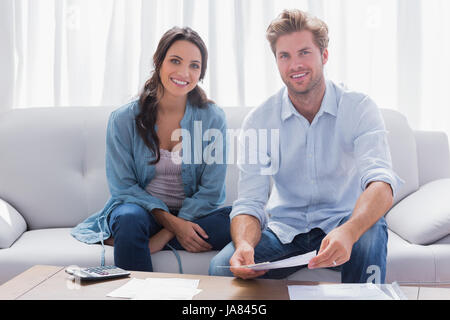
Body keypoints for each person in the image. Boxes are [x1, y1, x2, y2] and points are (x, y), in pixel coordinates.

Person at [209, 9, 403, 283]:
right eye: (284, 56)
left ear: (324, 56)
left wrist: (349, 231)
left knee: (371, 234)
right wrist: (244, 245)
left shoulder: (359, 107)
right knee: (220, 267)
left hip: (343, 225)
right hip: (284, 231)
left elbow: (381, 183)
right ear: (276, 62)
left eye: (304, 53)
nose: (294, 64)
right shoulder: (259, 120)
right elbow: (250, 202)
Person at [71, 26, 231, 272]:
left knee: (236, 219)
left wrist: (165, 235)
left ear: (201, 73)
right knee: (128, 219)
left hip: (194, 215)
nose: (183, 72)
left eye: (194, 65)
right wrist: (173, 225)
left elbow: (212, 191)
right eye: (175, 61)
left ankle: (132, 244)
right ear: (159, 62)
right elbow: (123, 186)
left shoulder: (213, 119)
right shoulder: (123, 119)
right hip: (142, 212)